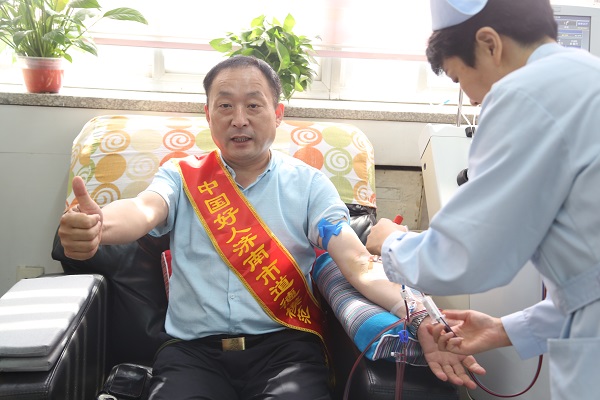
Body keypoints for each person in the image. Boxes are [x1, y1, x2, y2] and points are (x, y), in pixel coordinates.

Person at [58, 55, 483, 399]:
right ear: (208, 115)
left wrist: (418, 316)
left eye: (253, 105)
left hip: (286, 350)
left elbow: (358, 264)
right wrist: (99, 225)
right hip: (191, 354)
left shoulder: (310, 185)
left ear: (278, 114)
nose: (239, 119)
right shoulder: (181, 176)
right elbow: (143, 210)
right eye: (225, 105)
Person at [365, 0, 600, 399]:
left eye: (459, 77)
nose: (472, 99)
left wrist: (389, 243)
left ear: (490, 44)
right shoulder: (586, 76)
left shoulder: (523, 94)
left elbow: (467, 255)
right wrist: (504, 329)